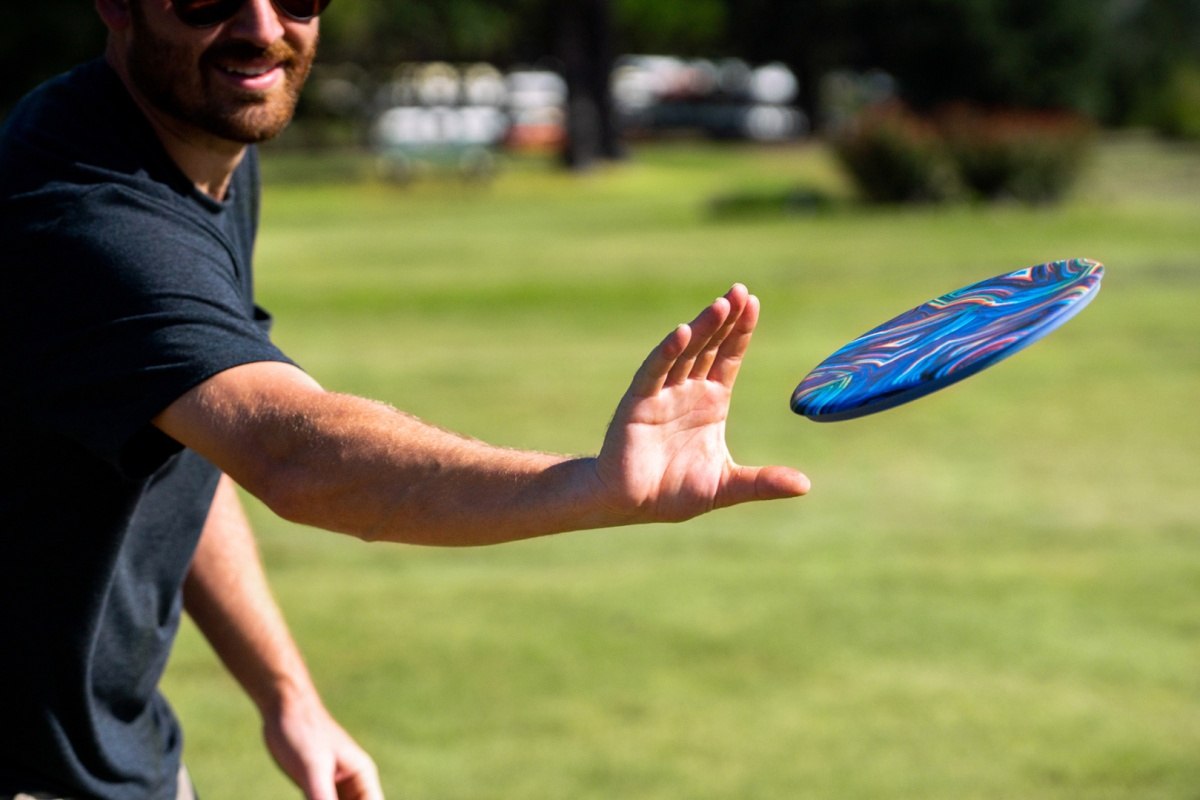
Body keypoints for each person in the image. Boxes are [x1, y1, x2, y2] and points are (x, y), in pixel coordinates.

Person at [0, 0, 811, 797]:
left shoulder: (192, 145)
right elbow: (290, 451)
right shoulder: (86, 212)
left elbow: (178, 442)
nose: (262, 28)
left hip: (111, 749)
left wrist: (287, 694)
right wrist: (590, 486)